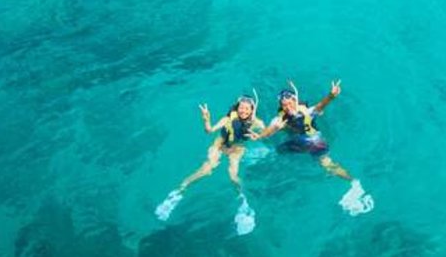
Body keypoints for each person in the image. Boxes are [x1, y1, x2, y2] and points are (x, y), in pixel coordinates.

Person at [253, 79, 374, 216]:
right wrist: (260, 136)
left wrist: (331, 95)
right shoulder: (280, 120)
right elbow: (268, 131)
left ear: (296, 101)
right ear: (281, 107)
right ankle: (353, 183)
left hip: (314, 142)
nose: (288, 106)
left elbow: (320, 106)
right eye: (284, 105)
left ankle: (353, 182)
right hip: (304, 142)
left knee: (320, 161)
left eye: (290, 102)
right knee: (286, 152)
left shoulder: (307, 112)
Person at [155, 93, 264, 233]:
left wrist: (258, 135)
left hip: (237, 148)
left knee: (233, 174)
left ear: (252, 110)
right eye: (241, 108)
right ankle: (178, 192)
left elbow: (265, 133)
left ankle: (243, 203)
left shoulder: (257, 122)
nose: (243, 111)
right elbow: (210, 130)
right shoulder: (227, 118)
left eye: (247, 108)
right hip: (220, 144)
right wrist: (206, 119)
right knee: (206, 169)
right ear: (237, 108)